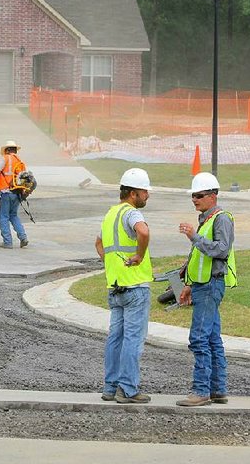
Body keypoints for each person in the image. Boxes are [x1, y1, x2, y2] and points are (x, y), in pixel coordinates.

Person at [176, 171, 237, 407]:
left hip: (211, 285)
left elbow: (221, 250)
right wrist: (189, 284)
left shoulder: (222, 218)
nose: (194, 199)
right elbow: (198, 258)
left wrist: (194, 237)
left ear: (213, 196)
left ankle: (201, 391)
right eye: (193, 195)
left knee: (199, 338)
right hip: (203, 285)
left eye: (199, 195)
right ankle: (217, 390)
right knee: (212, 338)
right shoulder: (206, 219)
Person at [95, 168, 153, 404]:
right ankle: (128, 389)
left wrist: (111, 265)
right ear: (133, 193)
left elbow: (98, 244)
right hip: (135, 287)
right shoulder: (130, 213)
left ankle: (110, 387)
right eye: (144, 192)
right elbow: (143, 231)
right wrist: (139, 255)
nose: (147, 196)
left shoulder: (110, 215)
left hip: (115, 287)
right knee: (132, 339)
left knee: (115, 338)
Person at [0, 139, 28, 249]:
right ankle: (23, 237)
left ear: (7, 150)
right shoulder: (20, 162)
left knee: (3, 217)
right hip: (17, 193)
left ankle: (7, 242)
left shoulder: (5, 159)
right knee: (13, 215)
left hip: (5, 192)